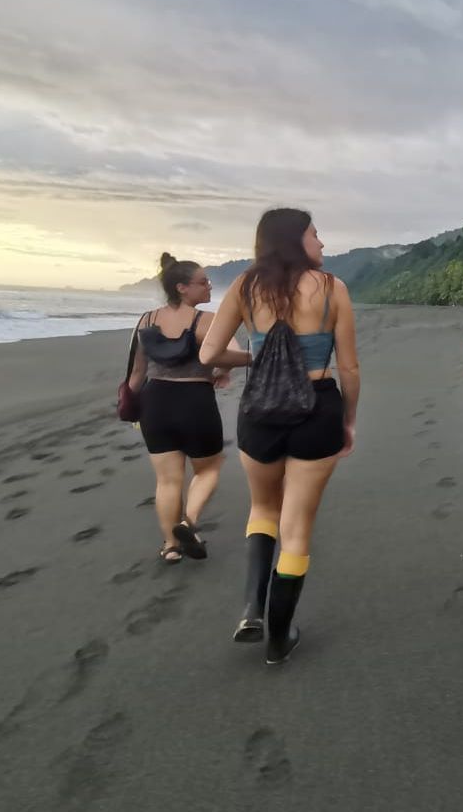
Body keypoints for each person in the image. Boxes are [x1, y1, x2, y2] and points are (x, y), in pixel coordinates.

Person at [199, 208, 359, 664]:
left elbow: (209, 352)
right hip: (317, 410)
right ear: (294, 239)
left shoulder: (246, 286)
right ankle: (278, 638)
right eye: (315, 233)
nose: (322, 243)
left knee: (264, 507)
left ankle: (253, 607)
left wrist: (261, 357)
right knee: (298, 527)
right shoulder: (333, 290)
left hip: (260, 412)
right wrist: (348, 419)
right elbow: (348, 367)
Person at [124, 254, 231, 563]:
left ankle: (171, 546)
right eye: (204, 282)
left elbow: (136, 374)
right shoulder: (206, 321)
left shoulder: (146, 320)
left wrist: (132, 409)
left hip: (154, 403)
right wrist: (233, 368)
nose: (210, 286)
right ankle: (188, 522)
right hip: (195, 401)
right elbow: (226, 356)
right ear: (182, 287)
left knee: (167, 480)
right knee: (208, 469)